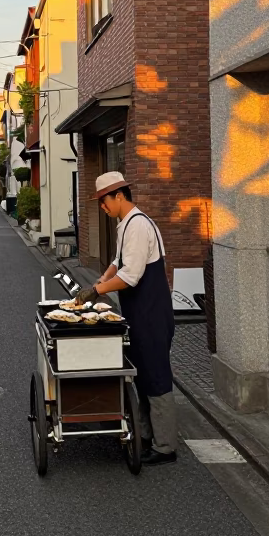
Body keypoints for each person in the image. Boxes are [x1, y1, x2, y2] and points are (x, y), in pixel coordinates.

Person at [77, 172, 177, 465]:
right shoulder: (127, 224)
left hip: (152, 315)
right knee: (142, 375)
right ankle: (146, 437)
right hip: (139, 314)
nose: (103, 207)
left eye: (104, 201)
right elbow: (117, 263)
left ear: (119, 196)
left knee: (156, 378)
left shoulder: (138, 225)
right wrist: (102, 279)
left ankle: (166, 447)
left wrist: (96, 290)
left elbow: (131, 276)